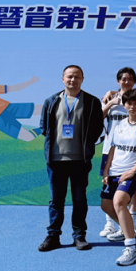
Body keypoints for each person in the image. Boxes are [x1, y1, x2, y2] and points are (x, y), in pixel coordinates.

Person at [38, 65, 104, 252]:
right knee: (56, 200)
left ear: (82, 79)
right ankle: (53, 236)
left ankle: (79, 236)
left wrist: (85, 145)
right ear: (63, 79)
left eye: (77, 77)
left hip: (80, 160)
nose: (73, 80)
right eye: (69, 76)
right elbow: (44, 127)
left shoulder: (91, 101)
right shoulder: (51, 101)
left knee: (79, 199)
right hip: (56, 160)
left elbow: (97, 128)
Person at [100, 89, 136, 266]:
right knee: (106, 205)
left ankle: (132, 248)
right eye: (129, 103)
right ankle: (129, 229)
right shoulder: (119, 125)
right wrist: (106, 171)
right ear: (124, 105)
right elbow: (112, 148)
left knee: (119, 202)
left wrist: (133, 171)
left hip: (132, 172)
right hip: (114, 170)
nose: (132, 107)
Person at [100, 67, 136, 239]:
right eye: (123, 79)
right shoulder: (109, 98)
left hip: (130, 151)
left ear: (134, 82)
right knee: (109, 186)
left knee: (131, 187)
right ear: (118, 81)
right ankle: (110, 224)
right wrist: (110, 103)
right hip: (110, 149)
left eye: (130, 79)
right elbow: (98, 118)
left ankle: (131, 223)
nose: (126, 82)